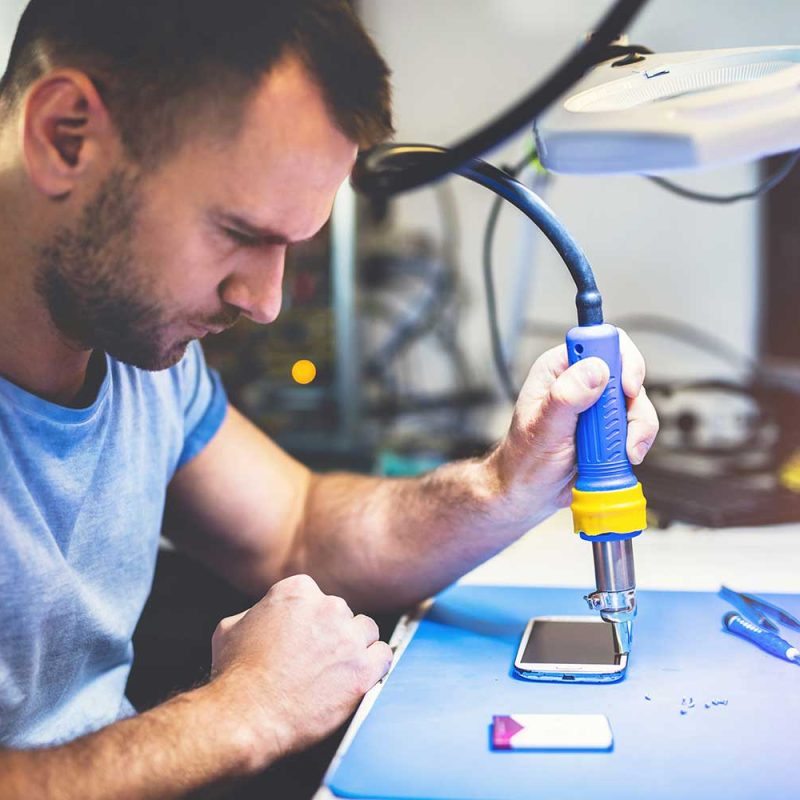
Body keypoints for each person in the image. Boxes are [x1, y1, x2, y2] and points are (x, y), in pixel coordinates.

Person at [0, 1, 659, 797]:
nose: (268, 302)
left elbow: (296, 527)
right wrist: (244, 712)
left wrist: (510, 483)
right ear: (66, 134)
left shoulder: (137, 350)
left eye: (290, 245)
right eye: (241, 233)